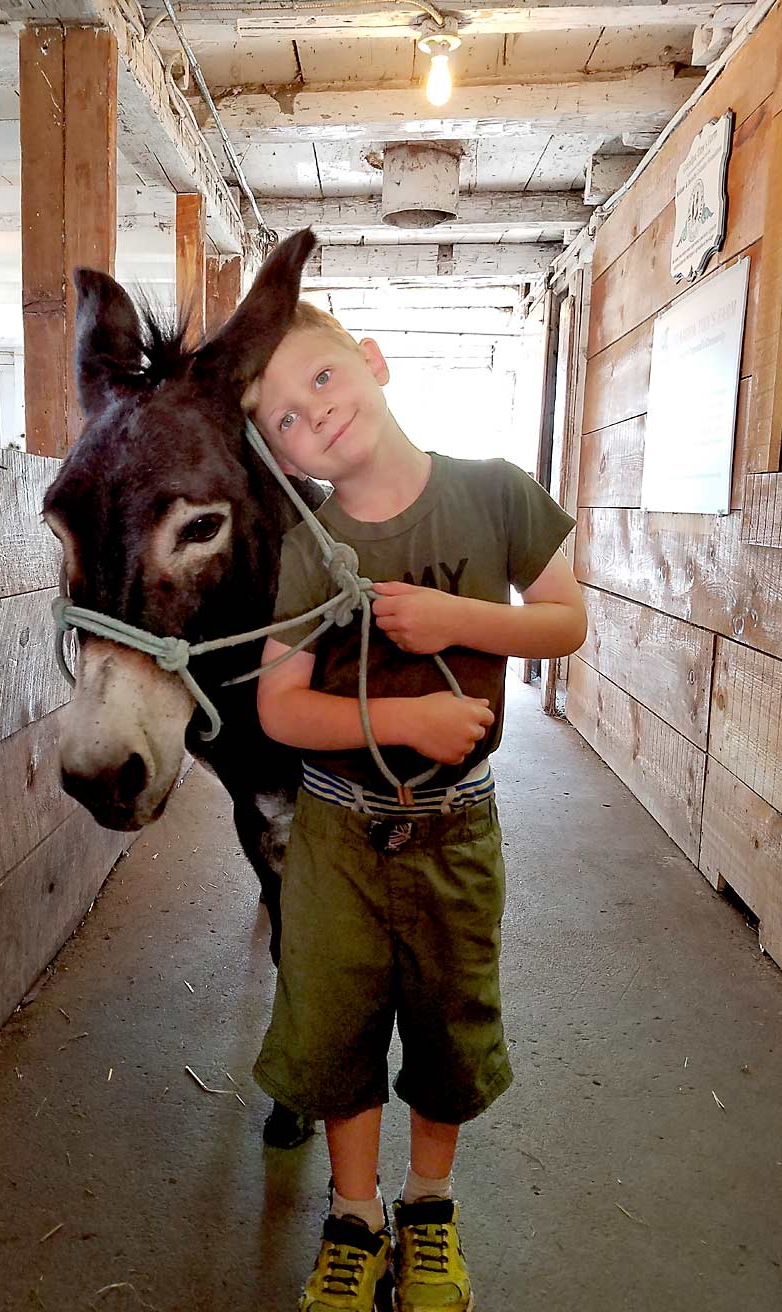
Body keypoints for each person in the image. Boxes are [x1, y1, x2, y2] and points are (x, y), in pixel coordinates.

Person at [245, 301, 587, 1312]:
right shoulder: (309, 548)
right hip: (337, 835)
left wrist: (453, 617)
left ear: (373, 360)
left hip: (456, 830)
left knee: (446, 1021)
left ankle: (426, 1208)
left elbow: (565, 623)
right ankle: (354, 1215)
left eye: (318, 380)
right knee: (337, 1021)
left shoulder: (494, 494)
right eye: (283, 423)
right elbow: (279, 707)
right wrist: (401, 725)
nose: (313, 418)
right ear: (284, 461)